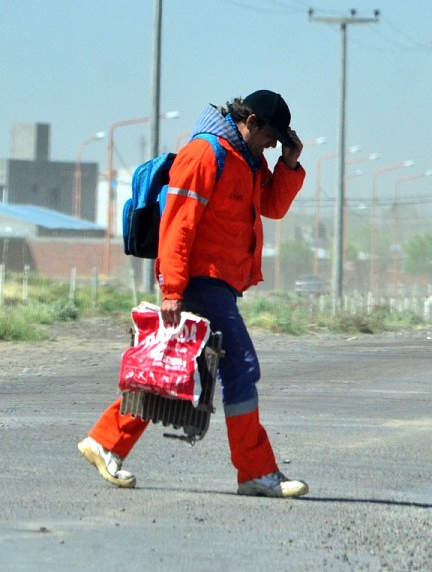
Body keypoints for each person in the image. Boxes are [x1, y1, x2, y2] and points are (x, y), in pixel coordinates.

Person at [79, 90, 310, 498]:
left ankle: (106, 441)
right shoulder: (205, 154)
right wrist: (172, 289)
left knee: (173, 369)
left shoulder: (249, 161)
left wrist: (288, 164)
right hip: (199, 281)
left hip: (220, 283)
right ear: (251, 121)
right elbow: (177, 225)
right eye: (272, 136)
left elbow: (271, 207)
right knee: (240, 367)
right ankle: (255, 471)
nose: (274, 144)